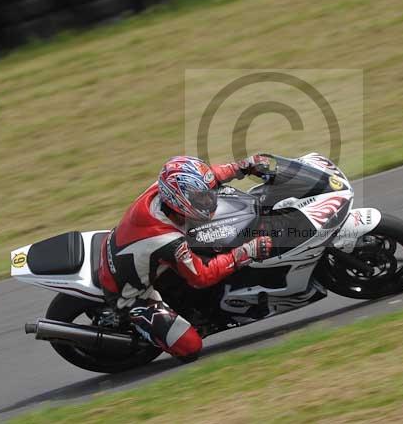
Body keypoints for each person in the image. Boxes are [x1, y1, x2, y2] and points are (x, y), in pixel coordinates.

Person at [98, 154, 273, 361]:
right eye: (200, 197)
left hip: (129, 252)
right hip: (130, 295)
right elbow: (201, 277)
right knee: (191, 348)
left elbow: (210, 176)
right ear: (178, 199)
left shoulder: (164, 188)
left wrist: (243, 167)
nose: (208, 200)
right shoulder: (165, 238)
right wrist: (246, 252)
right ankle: (136, 319)